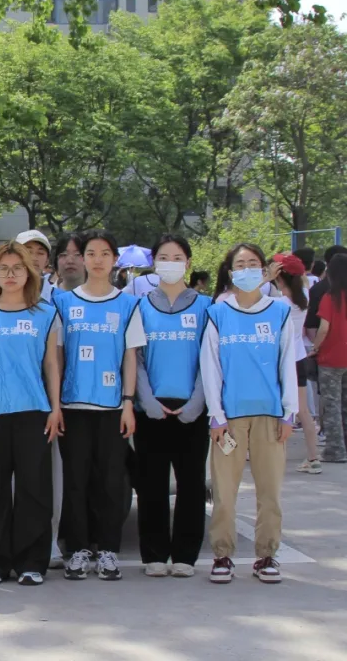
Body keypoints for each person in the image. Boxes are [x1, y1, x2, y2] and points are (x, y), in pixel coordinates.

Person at [0, 242, 62, 586]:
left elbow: (51, 364)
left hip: (34, 411)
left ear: (29, 273)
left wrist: (55, 408)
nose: (10, 274)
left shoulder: (45, 313)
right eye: (3, 268)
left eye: (17, 268)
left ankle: (31, 562)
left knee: (33, 490)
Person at [201, 242, 297, 584]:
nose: (247, 270)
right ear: (230, 272)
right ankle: (222, 555)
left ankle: (267, 555)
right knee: (224, 492)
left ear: (264, 269)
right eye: (240, 265)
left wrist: (289, 412)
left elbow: (288, 363)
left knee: (269, 492)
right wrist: (216, 414)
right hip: (229, 417)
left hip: (270, 415)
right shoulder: (218, 313)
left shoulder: (280, 312)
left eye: (253, 263)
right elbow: (211, 367)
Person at [53, 229, 145, 581]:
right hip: (73, 407)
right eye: (90, 253)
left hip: (112, 408)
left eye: (105, 253)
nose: (97, 260)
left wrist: (128, 403)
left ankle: (107, 550)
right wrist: (56, 404)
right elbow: (57, 357)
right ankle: (77, 549)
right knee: (75, 481)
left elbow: (130, 358)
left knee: (110, 482)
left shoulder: (127, 304)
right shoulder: (64, 303)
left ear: (114, 260)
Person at [133, 235, 211, 579]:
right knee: (151, 485)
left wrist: (197, 402)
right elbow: (135, 358)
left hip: (192, 409)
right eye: (163, 257)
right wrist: (147, 400)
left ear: (188, 263)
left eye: (177, 257)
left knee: (191, 485)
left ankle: (185, 556)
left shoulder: (205, 306)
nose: (170, 263)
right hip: (151, 409)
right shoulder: (141, 306)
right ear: (154, 263)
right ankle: (153, 553)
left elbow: (210, 359)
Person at [270, 253, 320, 473]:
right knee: (303, 411)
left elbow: (248, 299)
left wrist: (266, 279)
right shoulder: (304, 297)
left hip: (279, 361)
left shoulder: (277, 303)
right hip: (299, 359)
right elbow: (302, 280)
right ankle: (313, 458)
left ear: (279, 276)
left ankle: (274, 459)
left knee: (277, 410)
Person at [315, 253, 347, 464]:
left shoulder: (330, 297)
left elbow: (324, 328)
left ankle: (335, 450)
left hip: (331, 358)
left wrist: (315, 347)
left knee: (332, 406)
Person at [16, 230, 53, 299]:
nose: (34, 258)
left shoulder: (60, 299)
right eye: (28, 252)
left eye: (40, 253)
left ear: (47, 261)